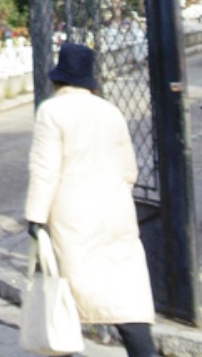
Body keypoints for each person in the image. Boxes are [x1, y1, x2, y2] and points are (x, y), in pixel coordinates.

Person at [24, 43, 157, 357]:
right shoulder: (110, 111)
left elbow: (45, 169)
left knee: (65, 289)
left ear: (57, 80)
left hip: (73, 213)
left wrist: (35, 216)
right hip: (116, 209)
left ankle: (62, 349)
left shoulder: (51, 111)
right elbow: (129, 168)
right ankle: (143, 351)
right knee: (125, 289)